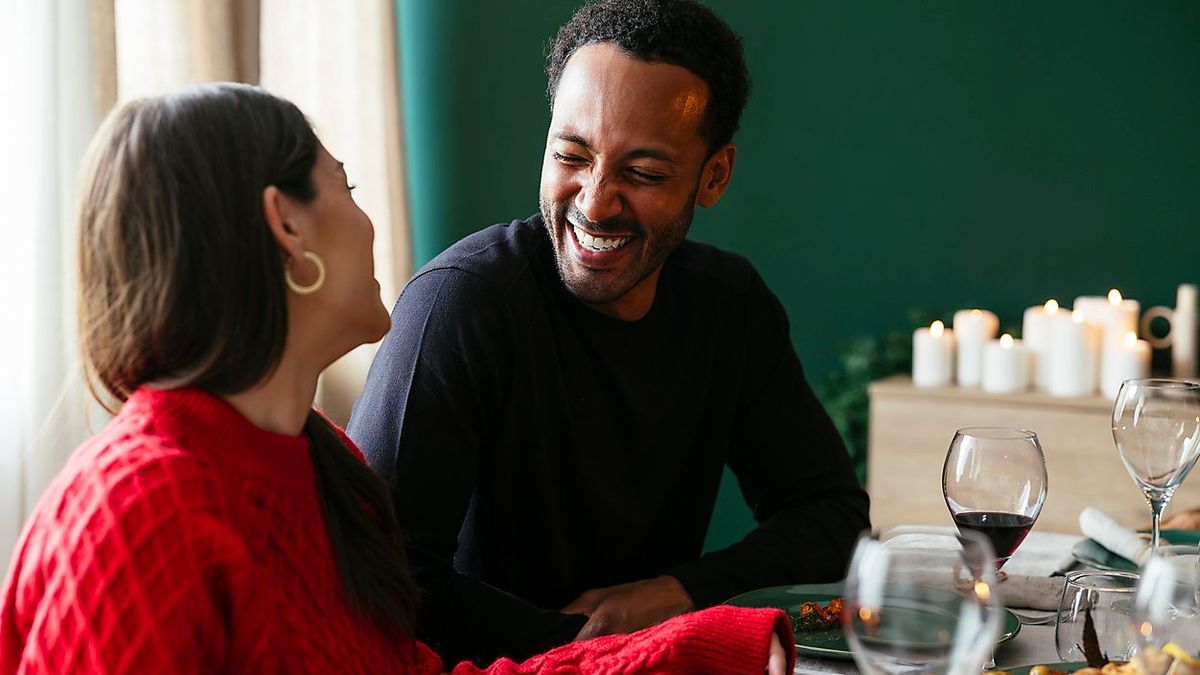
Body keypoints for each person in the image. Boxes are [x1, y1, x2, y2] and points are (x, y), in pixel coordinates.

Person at [0, 83, 794, 674]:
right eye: (344, 184)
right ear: (286, 226)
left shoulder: (327, 470)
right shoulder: (136, 513)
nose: (366, 215)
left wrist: (700, 646)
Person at [348, 0, 870, 665]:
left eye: (643, 173)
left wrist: (678, 592)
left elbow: (830, 514)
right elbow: (380, 576)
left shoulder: (729, 307)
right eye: (572, 154)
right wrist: (616, 649)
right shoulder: (460, 305)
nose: (594, 201)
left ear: (713, 176)